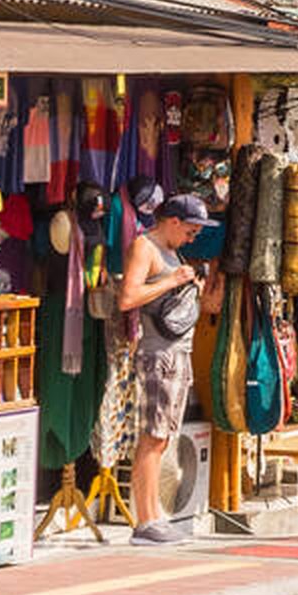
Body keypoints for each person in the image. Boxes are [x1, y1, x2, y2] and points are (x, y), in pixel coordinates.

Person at [117, 195, 218, 545]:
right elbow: (127, 298)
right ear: (172, 221)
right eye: (190, 230)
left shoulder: (173, 252)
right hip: (156, 352)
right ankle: (145, 522)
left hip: (177, 351)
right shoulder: (144, 247)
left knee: (163, 437)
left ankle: (154, 515)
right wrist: (172, 281)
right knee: (154, 435)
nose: (192, 238)